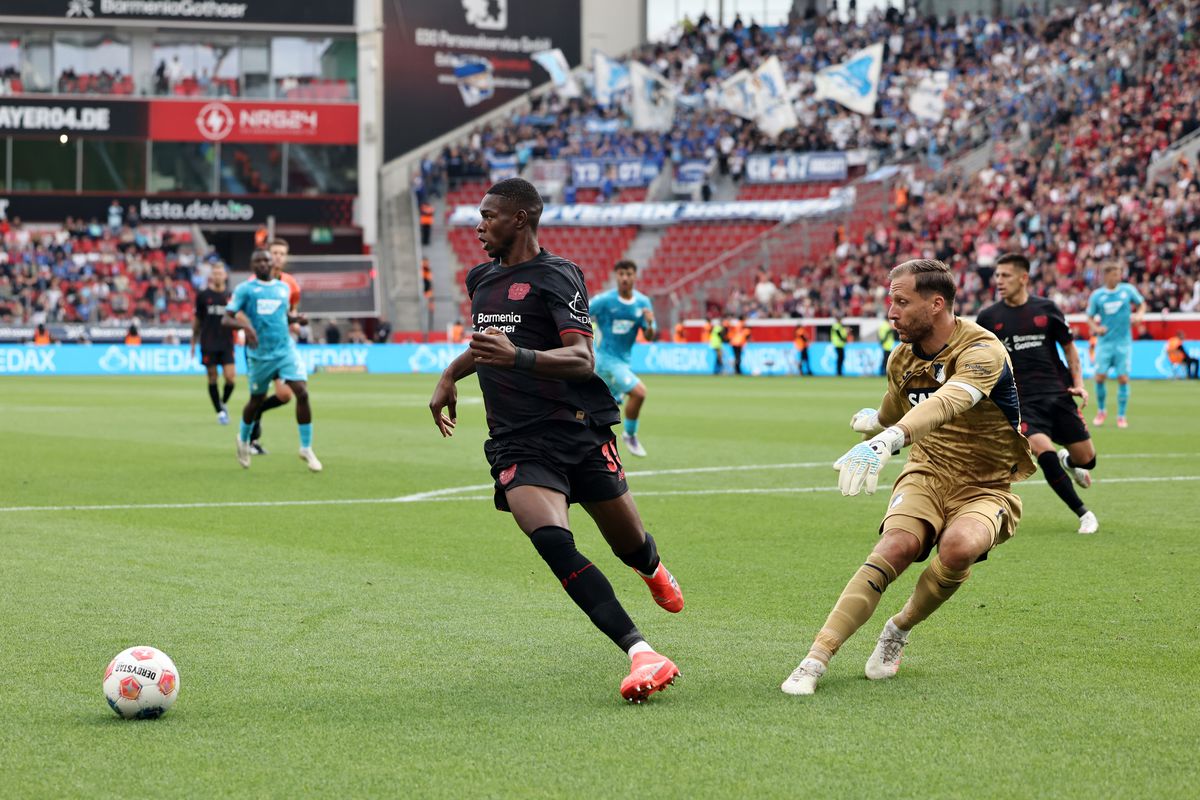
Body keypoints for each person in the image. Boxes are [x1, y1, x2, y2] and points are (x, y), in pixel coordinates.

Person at [428, 178, 682, 703]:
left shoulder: (558, 275)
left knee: (629, 544)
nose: (479, 226)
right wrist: (451, 374)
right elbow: (486, 346)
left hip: (576, 430)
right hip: (517, 442)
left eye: (489, 216)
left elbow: (582, 359)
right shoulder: (480, 279)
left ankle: (652, 569)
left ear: (519, 219)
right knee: (550, 540)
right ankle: (641, 651)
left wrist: (518, 357)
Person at [781, 259, 1035, 696]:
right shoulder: (902, 358)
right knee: (896, 546)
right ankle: (815, 658)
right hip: (927, 471)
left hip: (986, 483)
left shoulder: (981, 350)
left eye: (901, 301)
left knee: (960, 548)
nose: (891, 312)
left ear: (936, 304)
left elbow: (949, 401)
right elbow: (895, 407)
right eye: (889, 300)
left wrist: (888, 440)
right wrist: (875, 423)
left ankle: (899, 627)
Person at [977, 253, 1098, 534]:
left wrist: (1078, 382)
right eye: (997, 276)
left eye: (1005, 275)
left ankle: (1071, 461)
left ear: (1024, 278)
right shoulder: (988, 317)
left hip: (1058, 394)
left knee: (1088, 459)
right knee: (1044, 452)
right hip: (1020, 402)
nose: (999, 281)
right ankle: (1084, 514)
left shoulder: (1047, 309)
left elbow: (1069, 348)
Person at [223, 249, 321, 472]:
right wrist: (246, 327)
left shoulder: (283, 288)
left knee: (302, 392)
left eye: (266, 260)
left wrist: (297, 319)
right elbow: (226, 318)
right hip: (260, 354)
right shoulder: (245, 290)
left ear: (272, 264)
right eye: (257, 261)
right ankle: (244, 439)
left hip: (285, 350)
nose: (262, 264)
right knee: (256, 401)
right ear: (252, 266)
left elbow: (282, 315)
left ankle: (306, 448)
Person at [590, 260, 657, 457]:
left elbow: (649, 335)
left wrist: (650, 324)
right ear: (616, 276)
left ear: (635, 276)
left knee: (594, 410)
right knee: (639, 392)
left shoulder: (643, 302)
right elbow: (579, 314)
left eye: (628, 274)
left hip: (623, 362)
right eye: (621, 274)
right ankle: (630, 434)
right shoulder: (604, 301)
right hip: (606, 361)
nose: (625, 278)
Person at [248, 237, 301, 453]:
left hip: (281, 347)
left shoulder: (291, 284)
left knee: (285, 395)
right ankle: (251, 440)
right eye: (275, 252)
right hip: (259, 348)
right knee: (258, 394)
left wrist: (295, 322)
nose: (278, 257)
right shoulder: (253, 283)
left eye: (282, 253)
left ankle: (256, 414)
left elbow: (293, 310)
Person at [1086, 263, 1147, 428]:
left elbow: (1142, 304)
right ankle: (1101, 411)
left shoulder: (1127, 290)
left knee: (1123, 378)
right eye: (1114, 274)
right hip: (1104, 343)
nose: (1118, 277)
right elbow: (1089, 317)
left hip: (1123, 343)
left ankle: (1121, 415)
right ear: (1106, 276)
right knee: (1099, 377)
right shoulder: (1097, 295)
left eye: (1119, 274)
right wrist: (1096, 328)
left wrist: (1139, 315)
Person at [190, 262, 237, 425]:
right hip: (208, 342)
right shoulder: (203, 296)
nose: (217, 276)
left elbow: (239, 318)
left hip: (227, 342)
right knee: (212, 377)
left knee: (230, 378)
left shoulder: (232, 297)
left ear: (225, 275)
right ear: (211, 276)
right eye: (215, 273)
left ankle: (222, 403)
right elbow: (197, 320)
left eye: (220, 273)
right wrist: (192, 342)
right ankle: (220, 412)